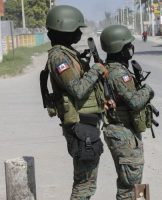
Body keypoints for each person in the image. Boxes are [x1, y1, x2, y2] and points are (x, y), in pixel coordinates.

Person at [45, 5, 110, 199]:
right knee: (84, 186)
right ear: (64, 30)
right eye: (76, 29)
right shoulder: (58, 58)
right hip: (80, 126)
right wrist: (96, 69)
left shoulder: (67, 53)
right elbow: (78, 89)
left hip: (86, 123)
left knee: (87, 183)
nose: (80, 33)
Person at [100, 24, 155, 199]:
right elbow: (135, 102)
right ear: (120, 48)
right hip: (122, 134)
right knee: (129, 186)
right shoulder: (117, 74)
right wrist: (148, 90)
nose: (131, 49)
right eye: (127, 46)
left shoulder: (113, 69)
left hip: (125, 132)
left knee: (133, 182)